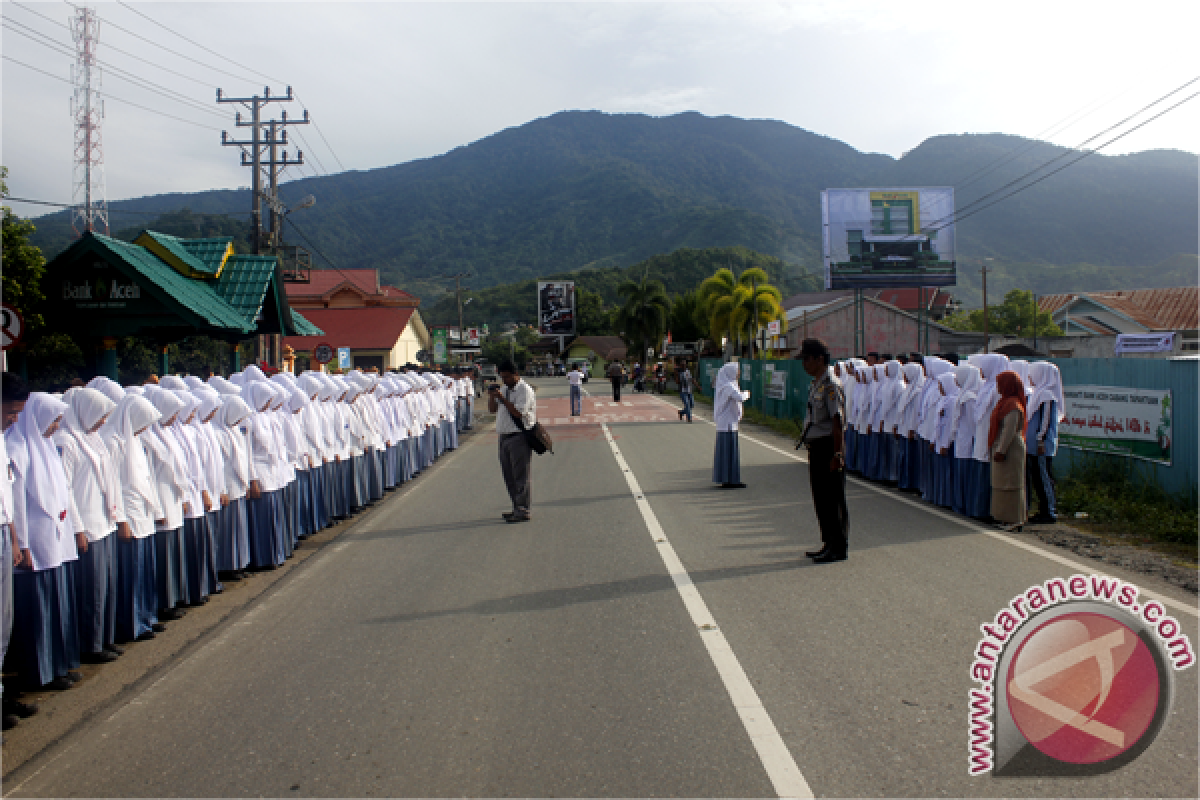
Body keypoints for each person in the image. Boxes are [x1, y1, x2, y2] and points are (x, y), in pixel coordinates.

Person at [55, 388, 126, 664]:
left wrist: (116, 515)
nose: (102, 421)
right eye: (99, 415)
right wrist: (77, 527)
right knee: (92, 590)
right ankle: (90, 644)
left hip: (104, 520)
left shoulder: (93, 438)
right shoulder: (66, 441)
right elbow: (66, 490)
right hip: (88, 524)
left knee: (106, 585)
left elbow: (110, 479)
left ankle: (104, 638)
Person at [0, 374, 37, 732]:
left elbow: (5, 497)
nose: (15, 418)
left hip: (1, 532)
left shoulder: (2, 440)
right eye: (11, 411)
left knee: (3, 622)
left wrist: (12, 538)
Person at [798, 339, 848, 563]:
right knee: (820, 499)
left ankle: (838, 547)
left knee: (832, 500)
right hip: (816, 447)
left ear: (820, 359)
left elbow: (837, 422)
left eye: (807, 359)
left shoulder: (830, 385)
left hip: (829, 447)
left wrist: (838, 454)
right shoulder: (816, 383)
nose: (804, 364)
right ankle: (828, 542)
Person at [489, 360, 537, 523]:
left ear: (516, 374)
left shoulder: (524, 390)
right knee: (508, 474)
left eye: (507, 377)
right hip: (504, 435)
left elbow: (518, 413)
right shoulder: (504, 388)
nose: (504, 380)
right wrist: (492, 396)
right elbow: (492, 409)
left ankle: (523, 509)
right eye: (502, 377)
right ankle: (516, 506)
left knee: (520, 475)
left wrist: (502, 398)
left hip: (519, 436)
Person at [989, 371, 1028, 531]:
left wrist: (1001, 450)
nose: (997, 387)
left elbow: (1009, 431)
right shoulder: (1004, 402)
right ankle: (1004, 518)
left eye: (1000, 383)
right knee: (1001, 484)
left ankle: (1015, 520)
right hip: (1001, 447)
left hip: (1010, 449)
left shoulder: (1013, 405)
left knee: (1011, 484)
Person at [1026, 362, 1063, 524]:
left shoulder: (1046, 395)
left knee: (1044, 476)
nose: (1029, 377)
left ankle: (1049, 511)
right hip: (1034, 444)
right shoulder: (1038, 393)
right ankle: (1043, 509)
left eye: (1032, 374)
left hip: (1042, 444)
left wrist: (1040, 439)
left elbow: (1046, 420)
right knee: (1037, 477)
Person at [712, 362, 749, 489]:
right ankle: (728, 480)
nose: (739, 373)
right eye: (737, 371)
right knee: (728, 452)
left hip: (729, 423)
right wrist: (747, 394)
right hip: (727, 424)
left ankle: (729, 479)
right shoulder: (727, 386)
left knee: (729, 452)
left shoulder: (729, 384)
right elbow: (739, 397)